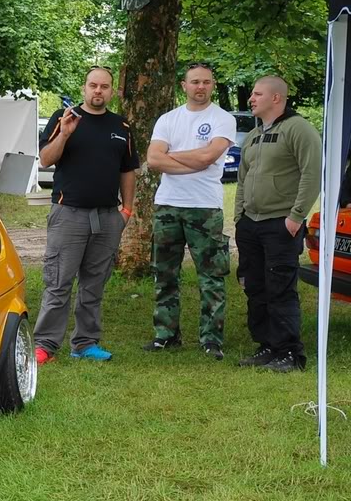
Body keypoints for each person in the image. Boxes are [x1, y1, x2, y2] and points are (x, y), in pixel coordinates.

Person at [33, 67, 139, 364]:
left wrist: (126, 210)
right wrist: (65, 134)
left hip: (107, 217)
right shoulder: (63, 118)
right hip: (69, 214)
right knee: (58, 283)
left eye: (104, 86)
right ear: (84, 88)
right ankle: (45, 345)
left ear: (112, 91)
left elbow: (127, 170)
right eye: (93, 85)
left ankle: (85, 343)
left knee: (94, 283)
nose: (98, 91)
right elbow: (45, 159)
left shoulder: (122, 126)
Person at [143, 63, 237, 360]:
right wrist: (192, 159)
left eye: (206, 82)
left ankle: (211, 339)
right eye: (194, 81)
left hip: (205, 207)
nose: (200, 87)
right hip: (169, 204)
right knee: (164, 273)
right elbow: (154, 160)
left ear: (213, 85)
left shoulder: (223, 119)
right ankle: (166, 335)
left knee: (211, 276)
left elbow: (209, 157)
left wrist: (172, 155)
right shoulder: (168, 119)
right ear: (183, 85)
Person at [234, 75, 321, 373]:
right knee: (255, 287)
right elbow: (243, 178)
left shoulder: (299, 129)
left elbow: (312, 175)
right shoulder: (255, 135)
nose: (251, 99)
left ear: (276, 98)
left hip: (281, 225)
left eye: (257, 94)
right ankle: (267, 346)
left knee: (280, 287)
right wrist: (239, 217)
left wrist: (296, 217)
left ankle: (290, 353)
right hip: (251, 224)